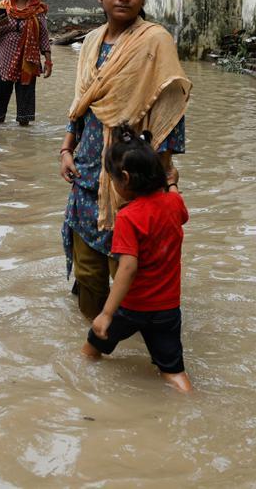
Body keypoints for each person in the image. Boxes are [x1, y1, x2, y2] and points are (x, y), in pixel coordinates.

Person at [58, 0, 191, 320]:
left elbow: (170, 109)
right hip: (87, 171)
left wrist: (165, 174)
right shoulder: (90, 43)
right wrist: (66, 149)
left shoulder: (156, 42)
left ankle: (131, 342)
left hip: (135, 177)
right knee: (88, 273)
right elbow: (80, 104)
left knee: (132, 275)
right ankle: (92, 346)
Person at [81, 128, 193, 393]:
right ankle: (191, 400)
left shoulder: (128, 217)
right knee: (173, 371)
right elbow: (179, 203)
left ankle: (78, 395)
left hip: (132, 307)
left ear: (126, 180)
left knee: (89, 351)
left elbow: (128, 268)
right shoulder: (173, 204)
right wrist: (173, 183)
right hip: (168, 308)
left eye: (113, 180)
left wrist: (106, 314)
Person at [0, 0, 52, 125]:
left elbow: (43, 37)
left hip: (28, 60)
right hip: (4, 60)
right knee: (1, 98)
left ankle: (24, 135)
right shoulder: (4, 6)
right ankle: (0, 132)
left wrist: (48, 61)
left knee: (25, 101)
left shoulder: (38, 10)